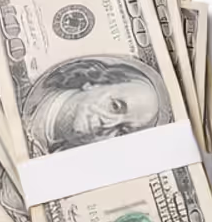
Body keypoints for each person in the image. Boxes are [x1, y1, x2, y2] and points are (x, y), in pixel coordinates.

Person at [20, 55, 168, 154]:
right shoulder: (27, 105)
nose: (109, 125)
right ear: (93, 83)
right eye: (115, 106)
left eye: (123, 130)